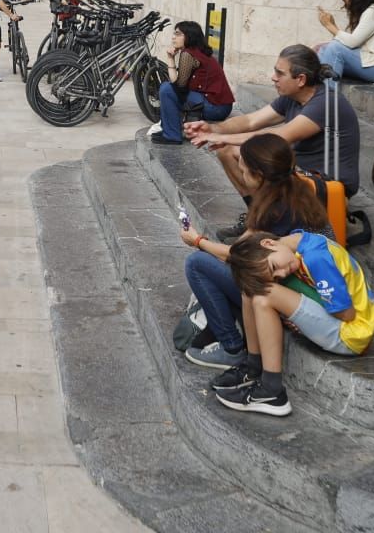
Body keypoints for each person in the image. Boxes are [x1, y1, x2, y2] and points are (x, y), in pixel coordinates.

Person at [180, 134, 332, 369]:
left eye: (244, 171)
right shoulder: (290, 187)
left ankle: (231, 347)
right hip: (297, 286)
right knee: (214, 261)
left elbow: (238, 255)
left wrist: (198, 241)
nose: (241, 175)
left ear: (259, 176)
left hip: (295, 293)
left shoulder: (278, 209)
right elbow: (245, 243)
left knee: (197, 264)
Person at [186, 44, 360, 240]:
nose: (273, 77)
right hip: (301, 177)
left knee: (256, 157)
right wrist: (213, 129)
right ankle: (258, 218)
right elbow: (251, 120)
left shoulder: (326, 103)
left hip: (327, 187)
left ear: (300, 79)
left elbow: (278, 137)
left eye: (280, 73)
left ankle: (265, 225)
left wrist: (220, 137)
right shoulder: (292, 97)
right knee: (226, 151)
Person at [218, 221, 374, 417]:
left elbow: (347, 314)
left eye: (274, 267)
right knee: (250, 289)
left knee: (264, 296)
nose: (282, 273)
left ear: (269, 244)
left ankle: (271, 392)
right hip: (341, 321)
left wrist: (296, 309)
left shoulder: (316, 257)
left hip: (352, 333)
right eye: (276, 275)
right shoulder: (297, 241)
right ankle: (253, 366)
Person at [149, 21, 235, 145]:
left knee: (166, 89)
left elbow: (178, 88)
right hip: (219, 106)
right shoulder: (196, 52)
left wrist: (171, 64)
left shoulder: (188, 54)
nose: (173, 37)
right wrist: (170, 59)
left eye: (178, 34)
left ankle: (172, 135)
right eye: (174, 33)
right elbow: (177, 85)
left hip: (215, 107)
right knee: (167, 88)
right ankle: (170, 131)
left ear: (189, 36)